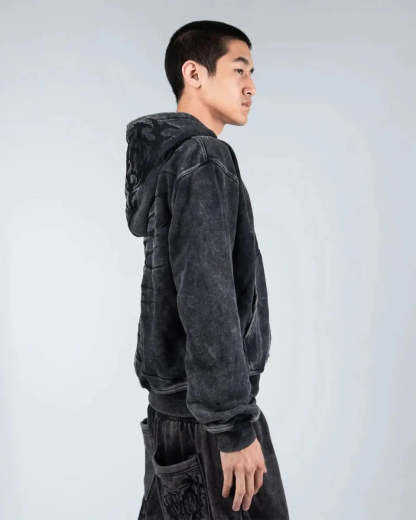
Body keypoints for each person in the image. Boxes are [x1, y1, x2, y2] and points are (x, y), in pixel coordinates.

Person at [125, 20, 290, 519]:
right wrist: (233, 427)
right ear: (194, 73)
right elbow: (206, 295)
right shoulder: (203, 158)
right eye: (239, 70)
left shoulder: (172, 162)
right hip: (209, 423)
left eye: (253, 73)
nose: (251, 86)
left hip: (173, 417)